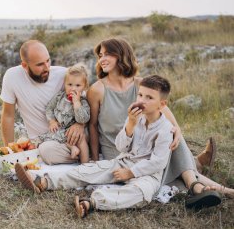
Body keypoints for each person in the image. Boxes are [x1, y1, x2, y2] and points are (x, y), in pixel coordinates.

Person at [33, 37, 234, 203]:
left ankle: (198, 183)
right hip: (120, 149)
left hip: (146, 144)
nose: (102, 58)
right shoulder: (97, 89)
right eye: (100, 55)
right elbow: (92, 126)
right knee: (163, 150)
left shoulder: (141, 84)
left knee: (170, 134)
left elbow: (165, 112)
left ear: (121, 55)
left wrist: (178, 130)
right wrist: (95, 158)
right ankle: (204, 177)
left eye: (107, 54)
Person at [16, 75, 221, 217]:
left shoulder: (165, 129)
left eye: (149, 98)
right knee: (87, 171)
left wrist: (131, 173)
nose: (142, 100)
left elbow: (158, 162)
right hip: (123, 161)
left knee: (140, 194)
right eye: (140, 95)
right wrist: (130, 126)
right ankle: (43, 181)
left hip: (148, 174)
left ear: (162, 105)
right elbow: (121, 146)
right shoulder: (135, 118)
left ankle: (93, 202)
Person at [0, 40, 84, 164]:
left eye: (48, 60)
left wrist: (80, 125)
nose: (47, 67)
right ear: (24, 65)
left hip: (71, 137)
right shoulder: (12, 77)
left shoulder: (64, 75)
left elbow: (88, 103)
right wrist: (9, 152)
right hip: (46, 143)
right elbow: (8, 116)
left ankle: (85, 156)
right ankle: (82, 156)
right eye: (40, 64)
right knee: (47, 150)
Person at [37, 63, 90, 163]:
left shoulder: (83, 102)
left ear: (85, 86)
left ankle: (85, 164)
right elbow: (49, 108)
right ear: (64, 84)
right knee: (53, 137)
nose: (73, 88)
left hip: (77, 133)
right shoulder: (59, 97)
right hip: (61, 130)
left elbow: (83, 119)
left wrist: (77, 103)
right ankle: (72, 148)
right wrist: (52, 121)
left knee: (81, 139)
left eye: (78, 85)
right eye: (69, 84)